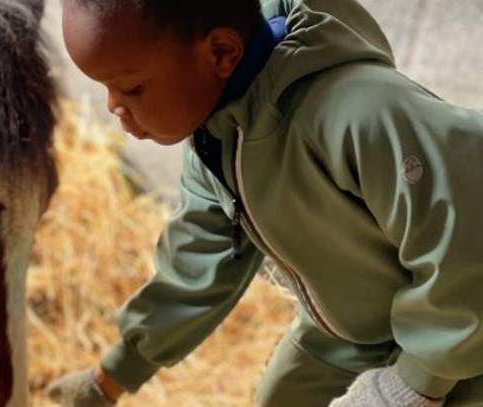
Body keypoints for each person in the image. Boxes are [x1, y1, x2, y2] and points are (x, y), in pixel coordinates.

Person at [47, 0, 483, 406]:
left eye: (131, 87)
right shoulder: (215, 134)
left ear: (220, 53)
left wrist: (411, 385)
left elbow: (466, 235)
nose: (112, 107)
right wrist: (113, 375)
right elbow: (199, 259)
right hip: (346, 334)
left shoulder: (362, 113)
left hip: (459, 335)